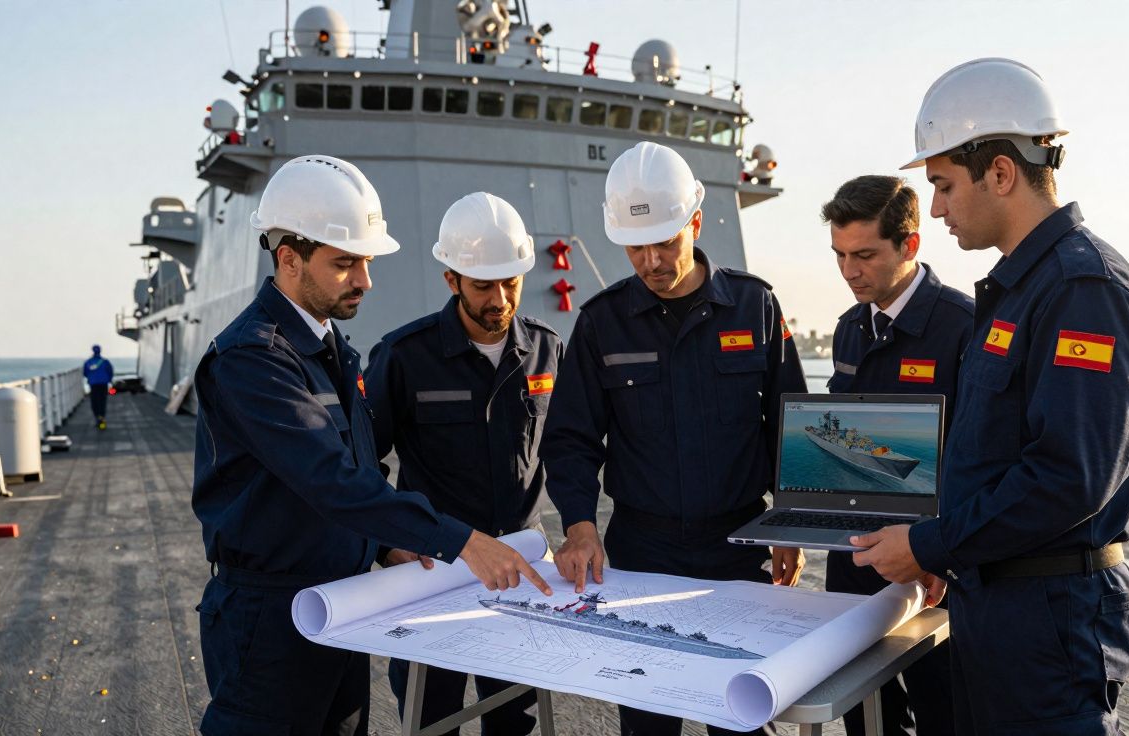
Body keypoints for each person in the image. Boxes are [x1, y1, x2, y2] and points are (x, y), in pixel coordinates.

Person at [852, 59, 1129, 735]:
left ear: (1000, 172)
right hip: (997, 602)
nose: (934, 207)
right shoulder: (1021, 290)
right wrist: (952, 554)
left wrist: (933, 544)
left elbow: (1067, 479)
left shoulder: (1084, 290)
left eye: (941, 184)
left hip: (1049, 620)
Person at [191, 155, 551, 736]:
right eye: (345, 263)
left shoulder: (332, 351)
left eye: (365, 261)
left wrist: (386, 549)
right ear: (289, 259)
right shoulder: (253, 361)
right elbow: (332, 481)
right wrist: (463, 542)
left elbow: (363, 468)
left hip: (340, 605)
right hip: (269, 621)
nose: (365, 279)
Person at [541, 140, 808, 736]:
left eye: (666, 241)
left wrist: (792, 522)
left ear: (696, 221)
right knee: (647, 715)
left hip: (737, 545)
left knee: (743, 713)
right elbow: (569, 439)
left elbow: (790, 424)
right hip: (642, 549)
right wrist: (580, 525)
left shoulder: (755, 306)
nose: (652, 260)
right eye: (636, 247)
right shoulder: (600, 323)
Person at [365, 192, 563, 735]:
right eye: (482, 285)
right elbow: (362, 463)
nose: (500, 299)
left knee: (515, 722)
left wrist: (581, 526)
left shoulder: (547, 351)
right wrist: (387, 544)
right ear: (451, 279)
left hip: (522, 575)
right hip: (436, 577)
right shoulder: (404, 356)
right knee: (431, 719)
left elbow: (569, 449)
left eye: (511, 282)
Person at [820, 175, 973, 736]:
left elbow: (978, 457)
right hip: (857, 556)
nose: (849, 271)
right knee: (864, 717)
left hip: (935, 564)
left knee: (944, 712)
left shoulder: (964, 328)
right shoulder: (848, 331)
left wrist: (939, 551)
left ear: (910, 244)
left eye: (864, 255)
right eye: (839, 255)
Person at [83, 345, 113, 430]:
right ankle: (102, 418)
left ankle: (97, 417)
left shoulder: (88, 362)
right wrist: (109, 380)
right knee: (102, 401)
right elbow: (110, 371)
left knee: (94, 401)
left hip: (93, 384)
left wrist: (91, 378)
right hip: (103, 384)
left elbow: (85, 373)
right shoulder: (105, 362)